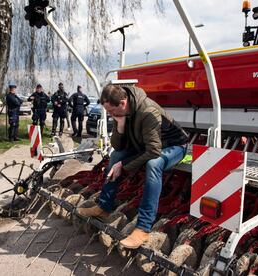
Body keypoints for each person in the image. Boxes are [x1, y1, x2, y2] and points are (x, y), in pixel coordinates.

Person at [77, 84, 189, 249]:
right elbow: (118, 146)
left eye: (112, 111)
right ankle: (104, 207)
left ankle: (143, 228)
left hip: (174, 146)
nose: (110, 115)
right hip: (147, 145)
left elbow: (153, 151)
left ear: (123, 103)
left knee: (153, 164)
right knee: (115, 156)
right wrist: (120, 126)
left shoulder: (148, 112)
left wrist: (124, 166)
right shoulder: (121, 113)